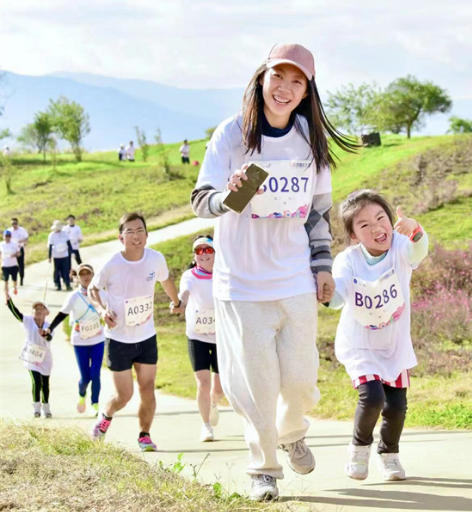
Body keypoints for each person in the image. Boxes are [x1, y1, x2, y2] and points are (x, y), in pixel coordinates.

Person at [190, 42, 358, 501]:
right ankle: (263, 468)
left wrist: (322, 266)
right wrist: (232, 196)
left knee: (301, 380)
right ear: (262, 78)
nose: (284, 88)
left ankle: (292, 430)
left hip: (293, 278)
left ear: (307, 91)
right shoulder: (232, 134)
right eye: (278, 77)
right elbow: (201, 200)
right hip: (241, 284)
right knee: (256, 385)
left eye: (296, 81)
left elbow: (317, 212)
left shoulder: (309, 139)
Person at [328, 191, 428, 482]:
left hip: (393, 343)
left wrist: (416, 232)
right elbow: (337, 294)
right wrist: (325, 293)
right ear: (354, 235)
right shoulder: (348, 260)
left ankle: (389, 454)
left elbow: (418, 251)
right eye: (364, 225)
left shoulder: (400, 246)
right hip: (360, 344)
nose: (376, 228)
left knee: (396, 406)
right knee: (372, 397)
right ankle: (359, 448)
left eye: (380, 218)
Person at [88, 212, 184, 452]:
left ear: (147, 235)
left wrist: (176, 302)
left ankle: (144, 435)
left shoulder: (155, 259)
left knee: (147, 387)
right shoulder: (112, 263)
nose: (135, 236)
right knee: (124, 395)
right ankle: (105, 417)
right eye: (129, 232)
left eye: (139, 230)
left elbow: (166, 280)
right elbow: (92, 289)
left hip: (146, 337)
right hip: (118, 339)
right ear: (121, 238)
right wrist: (101, 311)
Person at [177, 235, 224, 442]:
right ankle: (206, 426)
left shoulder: (224, 274)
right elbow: (185, 292)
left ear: (216, 252)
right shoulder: (190, 275)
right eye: (199, 251)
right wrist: (179, 302)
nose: (203, 254)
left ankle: (213, 403)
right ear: (194, 256)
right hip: (197, 336)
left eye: (208, 250)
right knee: (203, 383)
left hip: (221, 336)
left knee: (219, 389)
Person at [46, 264, 105, 417]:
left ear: (93, 276)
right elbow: (62, 314)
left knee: (95, 374)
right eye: (82, 274)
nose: (86, 277)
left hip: (98, 338)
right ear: (78, 278)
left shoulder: (101, 294)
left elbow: (113, 309)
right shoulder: (73, 296)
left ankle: (95, 403)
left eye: (88, 274)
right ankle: (82, 395)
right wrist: (50, 328)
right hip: (80, 340)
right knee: (85, 377)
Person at [6, 293, 53, 418]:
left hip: (45, 358)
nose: (38, 311)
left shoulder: (48, 326)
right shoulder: (28, 321)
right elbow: (17, 314)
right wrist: (9, 302)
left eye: (41, 308)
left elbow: (50, 337)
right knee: (36, 381)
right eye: (36, 309)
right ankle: (36, 408)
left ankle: (46, 407)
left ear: (46, 312)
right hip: (32, 357)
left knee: (45, 383)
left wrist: (45, 335)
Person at [48, 220, 73, 291]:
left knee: (65, 270)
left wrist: (72, 252)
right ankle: (57, 284)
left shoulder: (65, 234)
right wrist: (49, 257)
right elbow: (50, 246)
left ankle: (67, 283)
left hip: (64, 255)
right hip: (56, 256)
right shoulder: (51, 235)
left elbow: (68, 243)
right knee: (57, 271)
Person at [8, 218, 29, 286]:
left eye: (15, 223)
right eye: (12, 224)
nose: (14, 225)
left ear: (17, 223)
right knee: (13, 265)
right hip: (12, 250)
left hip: (19, 248)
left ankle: (21, 279)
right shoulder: (9, 231)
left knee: (21, 265)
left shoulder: (22, 230)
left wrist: (23, 242)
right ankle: (14, 280)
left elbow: (26, 238)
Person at [1, 230, 21, 296]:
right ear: (3, 237)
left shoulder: (14, 244)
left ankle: (15, 287)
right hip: (5, 265)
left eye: (9, 236)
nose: (7, 238)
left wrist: (14, 255)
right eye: (6, 236)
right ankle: (6, 295)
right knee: (5, 281)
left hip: (13, 265)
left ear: (10, 237)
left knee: (14, 280)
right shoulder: (1, 244)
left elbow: (19, 253)